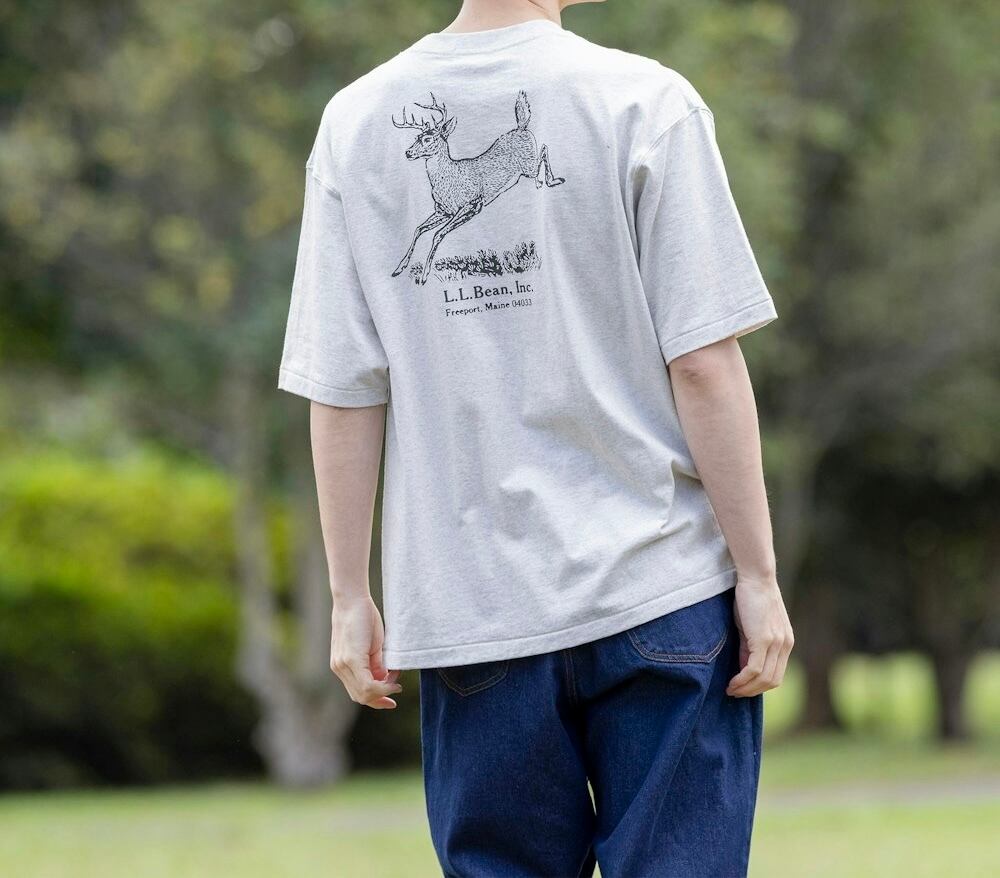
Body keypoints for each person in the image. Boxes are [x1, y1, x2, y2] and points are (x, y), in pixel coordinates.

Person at [278, 0, 794, 874]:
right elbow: (704, 363)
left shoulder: (353, 124)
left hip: (472, 606)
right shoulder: (644, 101)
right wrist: (759, 577)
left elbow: (343, 389)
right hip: (658, 588)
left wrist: (349, 594)